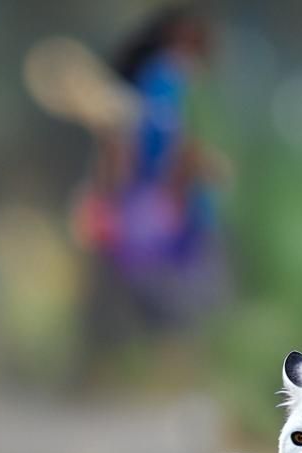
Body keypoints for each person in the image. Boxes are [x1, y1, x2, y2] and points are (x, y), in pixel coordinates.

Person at [73, 5, 229, 332]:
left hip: (156, 212)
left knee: (168, 305)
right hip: (166, 213)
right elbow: (172, 145)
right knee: (187, 305)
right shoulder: (167, 78)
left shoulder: (145, 83)